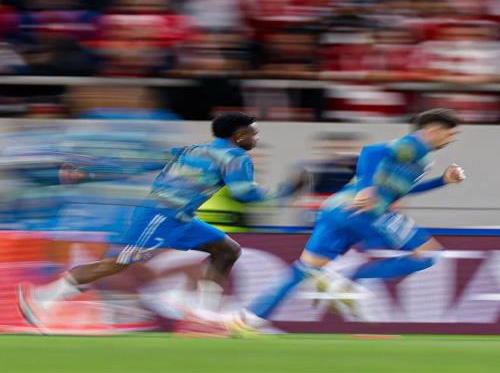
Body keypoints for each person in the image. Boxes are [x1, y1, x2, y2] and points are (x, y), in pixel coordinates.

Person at [17, 112, 305, 329]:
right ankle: (43, 296)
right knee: (117, 263)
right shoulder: (236, 158)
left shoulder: (191, 149)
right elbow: (244, 193)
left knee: (226, 250)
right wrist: (285, 192)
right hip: (160, 215)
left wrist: (91, 173)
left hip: (178, 217)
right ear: (239, 135)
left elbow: (139, 165)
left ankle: (203, 313)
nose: (256, 138)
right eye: (253, 133)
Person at [227, 108, 466, 333]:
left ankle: (248, 319)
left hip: (335, 209)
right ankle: (345, 277)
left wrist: (442, 181)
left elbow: (399, 190)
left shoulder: (422, 160)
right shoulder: (414, 144)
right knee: (428, 254)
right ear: (433, 130)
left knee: (304, 270)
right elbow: (371, 151)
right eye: (449, 133)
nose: (452, 139)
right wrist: (366, 188)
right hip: (365, 212)